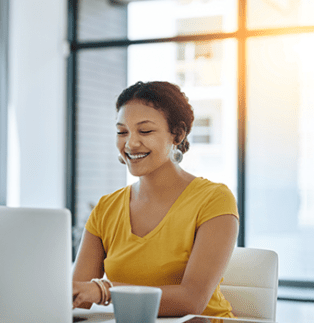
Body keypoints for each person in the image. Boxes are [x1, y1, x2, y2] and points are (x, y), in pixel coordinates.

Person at [72, 81, 239, 318]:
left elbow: (191, 300)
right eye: (122, 132)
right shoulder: (106, 208)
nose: (130, 143)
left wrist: (104, 291)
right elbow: (78, 297)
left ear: (177, 134)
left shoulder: (213, 199)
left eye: (145, 131)